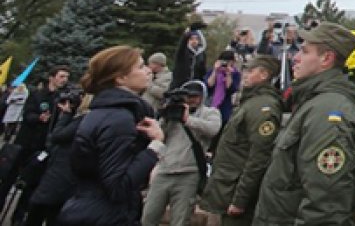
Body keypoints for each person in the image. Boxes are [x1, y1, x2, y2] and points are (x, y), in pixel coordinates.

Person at [252, 23, 355, 225]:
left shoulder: (328, 111)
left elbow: (325, 204)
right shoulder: (313, 102)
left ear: (326, 58)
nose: (295, 58)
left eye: (304, 52)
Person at [57, 47, 164, 226]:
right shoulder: (119, 119)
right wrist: (155, 146)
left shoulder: (105, 112)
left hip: (90, 210)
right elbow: (118, 187)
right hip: (105, 216)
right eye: (140, 66)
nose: (148, 70)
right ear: (120, 78)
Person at [199, 56, 283, 226]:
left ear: (264, 75)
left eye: (250, 71)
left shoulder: (263, 107)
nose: (244, 75)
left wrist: (240, 199)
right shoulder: (250, 102)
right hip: (227, 188)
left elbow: (258, 157)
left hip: (236, 192)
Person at [139, 81, 220, 226]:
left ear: (203, 96)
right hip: (164, 170)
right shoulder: (172, 113)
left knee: (180, 219)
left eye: (196, 96)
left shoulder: (210, 112)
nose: (192, 99)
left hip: (188, 173)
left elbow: (213, 129)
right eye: (188, 96)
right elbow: (159, 135)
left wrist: (187, 119)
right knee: (148, 216)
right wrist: (165, 116)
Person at [1, 67, 71, 219]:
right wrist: (39, 118)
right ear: (51, 77)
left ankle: (18, 216)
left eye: (66, 77)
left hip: (43, 148)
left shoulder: (61, 99)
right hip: (25, 144)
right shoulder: (37, 95)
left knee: (31, 184)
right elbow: (27, 115)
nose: (64, 80)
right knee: (9, 179)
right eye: (61, 76)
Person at [25, 89, 88, 226]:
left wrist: (66, 115)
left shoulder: (83, 120)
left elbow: (57, 136)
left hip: (61, 174)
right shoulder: (80, 118)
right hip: (58, 172)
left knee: (42, 210)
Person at [205, 50, 241, 124]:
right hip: (210, 103)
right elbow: (209, 84)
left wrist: (228, 74)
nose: (225, 64)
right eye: (224, 61)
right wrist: (215, 70)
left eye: (230, 62)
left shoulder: (235, 74)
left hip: (224, 106)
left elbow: (230, 88)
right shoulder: (212, 70)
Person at [171, 24, 207, 88]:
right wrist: (189, 30)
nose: (194, 41)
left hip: (194, 87)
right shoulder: (182, 51)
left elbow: (203, 71)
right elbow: (182, 43)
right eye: (191, 39)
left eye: (196, 39)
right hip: (180, 86)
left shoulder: (201, 54)